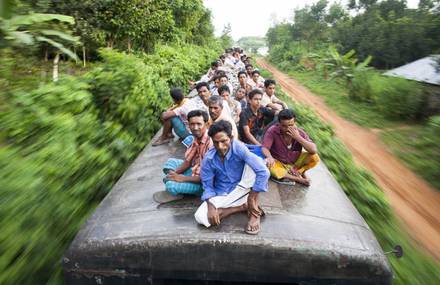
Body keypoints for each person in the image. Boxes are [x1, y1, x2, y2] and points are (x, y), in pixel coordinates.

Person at [194, 120, 270, 235]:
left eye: (224, 141)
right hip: (223, 194)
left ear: (231, 138)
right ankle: (241, 207)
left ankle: (254, 212)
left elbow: (263, 172)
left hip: (244, 189)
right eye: (216, 142)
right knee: (201, 217)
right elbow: (207, 186)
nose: (220, 146)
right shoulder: (209, 159)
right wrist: (210, 206)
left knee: (258, 164)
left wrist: (252, 196)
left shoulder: (239, 148)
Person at [154, 110, 213, 203]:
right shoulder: (196, 137)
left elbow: (206, 177)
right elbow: (188, 161)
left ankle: (178, 190)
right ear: (188, 125)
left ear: (206, 124)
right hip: (195, 169)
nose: (195, 127)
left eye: (199, 124)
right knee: (170, 163)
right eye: (192, 124)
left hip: (204, 184)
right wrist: (173, 175)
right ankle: (177, 185)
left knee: (170, 185)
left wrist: (182, 178)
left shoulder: (211, 143)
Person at [261, 109, 320, 186]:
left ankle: (299, 172)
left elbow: (313, 150)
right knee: (269, 166)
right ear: (279, 123)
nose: (287, 128)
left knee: (315, 158)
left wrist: (297, 137)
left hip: (294, 164)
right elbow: (265, 148)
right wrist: (269, 157)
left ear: (295, 123)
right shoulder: (273, 131)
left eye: (291, 125)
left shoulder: (300, 133)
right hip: (278, 162)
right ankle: (298, 179)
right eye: (284, 126)